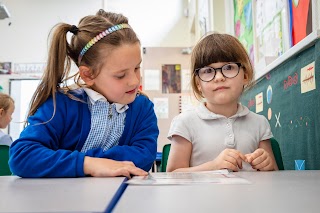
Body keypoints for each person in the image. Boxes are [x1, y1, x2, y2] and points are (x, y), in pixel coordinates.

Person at [9, 9, 159, 178]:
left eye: (137, 68)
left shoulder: (142, 108)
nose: (134, 81)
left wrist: (88, 161)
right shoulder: (61, 104)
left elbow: (144, 157)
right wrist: (89, 164)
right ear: (88, 75)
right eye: (120, 75)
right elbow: (22, 156)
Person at [167, 33, 278, 172]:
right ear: (198, 83)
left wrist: (267, 164)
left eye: (229, 68)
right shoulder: (185, 123)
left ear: (245, 75)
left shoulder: (259, 123)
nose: (219, 77)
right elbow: (173, 174)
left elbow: (274, 173)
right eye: (208, 71)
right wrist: (213, 166)